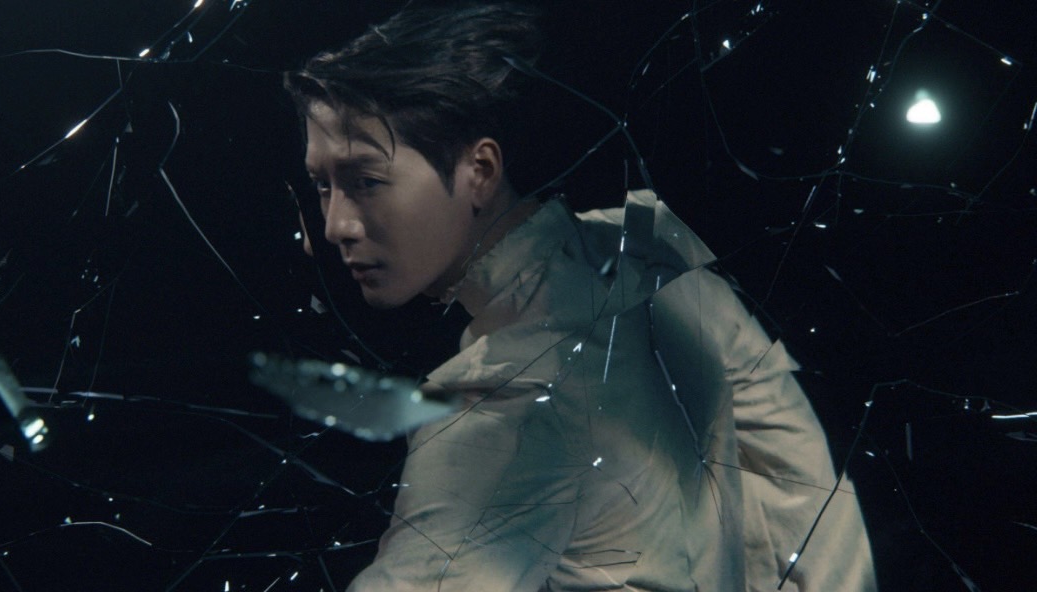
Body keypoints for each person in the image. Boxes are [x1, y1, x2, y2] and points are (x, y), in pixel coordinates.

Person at [284, 3, 876, 590]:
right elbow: (807, 497)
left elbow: (796, 481)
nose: (334, 227)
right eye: (322, 185)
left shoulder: (504, 407)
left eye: (366, 181)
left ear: (480, 170)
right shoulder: (643, 244)